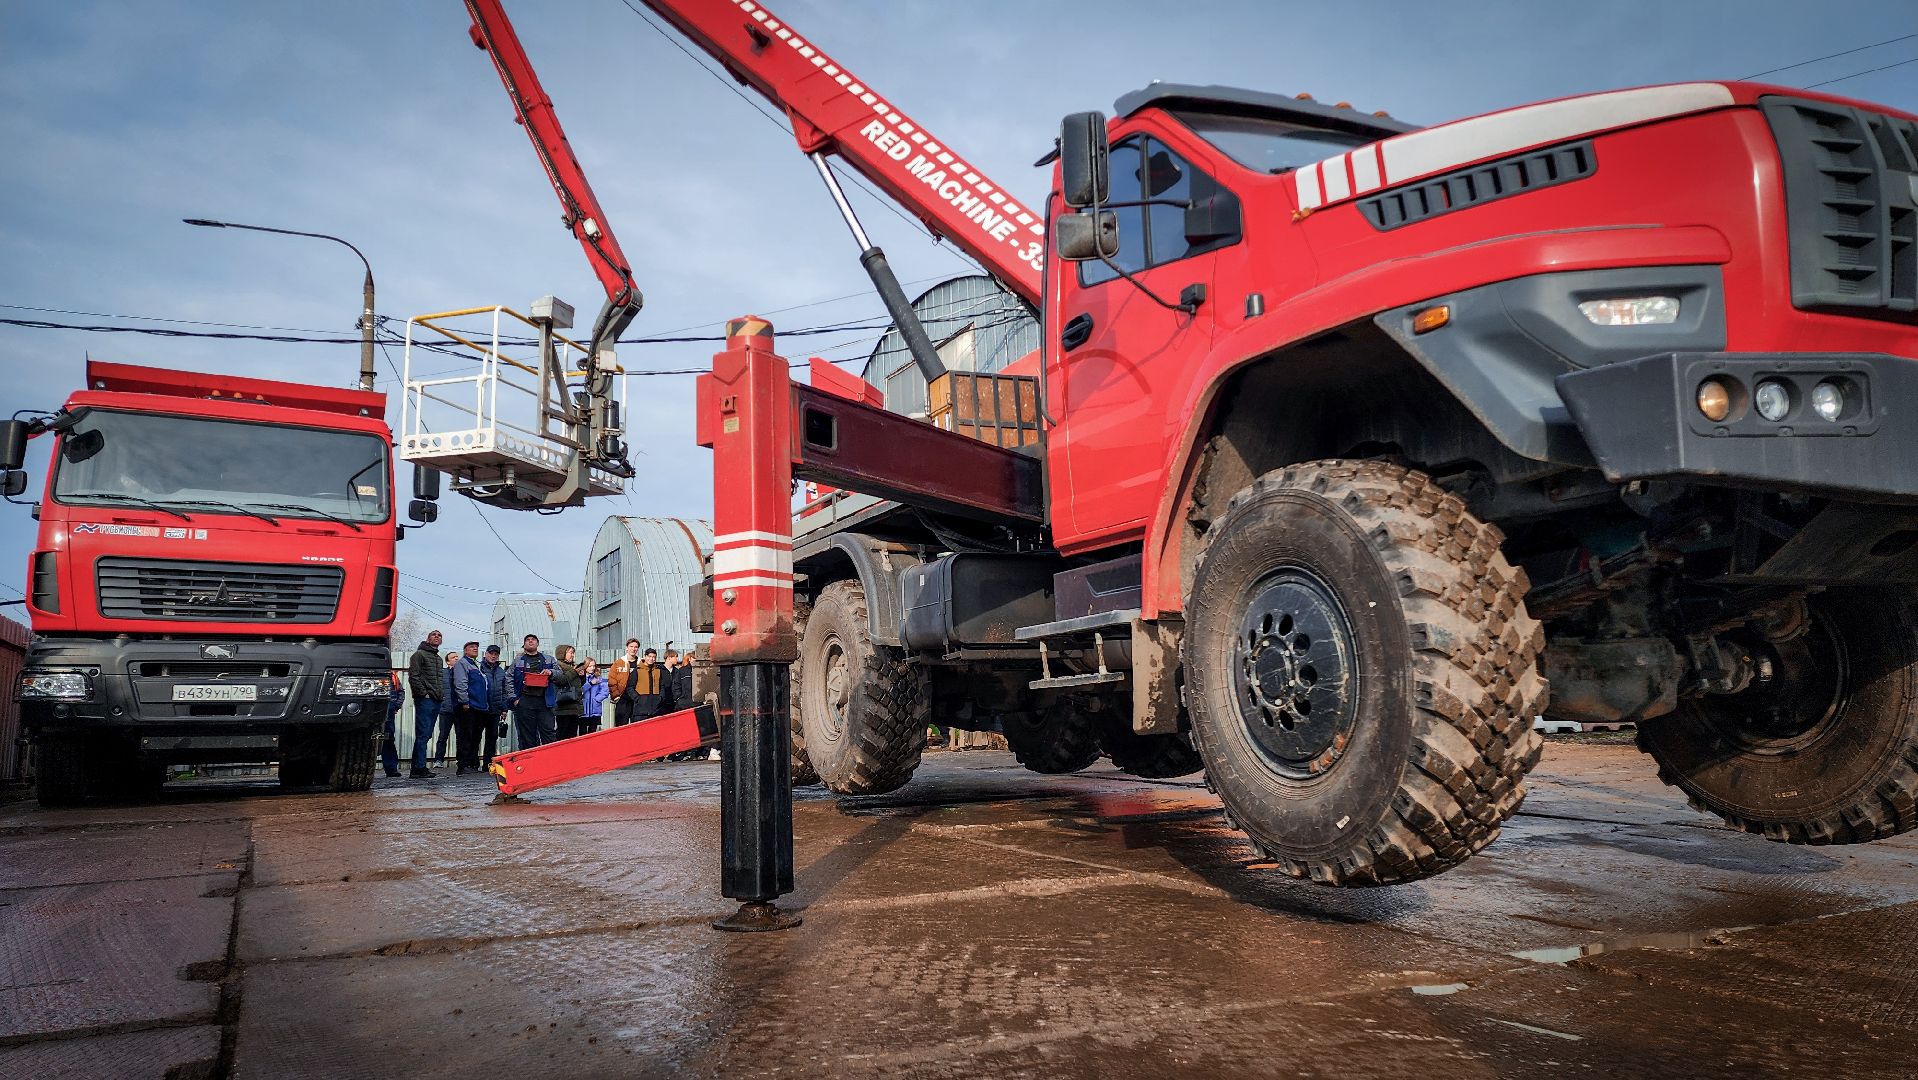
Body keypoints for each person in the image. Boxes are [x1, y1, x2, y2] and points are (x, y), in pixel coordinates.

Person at [508, 633, 559, 750]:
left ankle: (550, 763)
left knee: (548, 734)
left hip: (545, 702)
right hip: (525, 702)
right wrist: (514, 699)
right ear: (524, 645)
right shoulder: (518, 661)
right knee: (528, 737)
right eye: (527, 640)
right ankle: (531, 765)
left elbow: (561, 675)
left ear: (538, 643)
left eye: (533, 640)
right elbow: (508, 678)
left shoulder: (549, 659)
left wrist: (551, 672)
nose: (530, 641)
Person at [405, 630, 445, 778]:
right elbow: (413, 676)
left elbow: (439, 680)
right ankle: (418, 768)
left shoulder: (439, 659)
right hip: (426, 700)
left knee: (426, 734)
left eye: (439, 635)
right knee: (423, 734)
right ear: (428, 639)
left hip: (436, 699)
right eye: (434, 635)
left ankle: (418, 768)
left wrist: (440, 695)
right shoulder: (419, 654)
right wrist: (424, 694)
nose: (437, 636)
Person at [450, 641, 492, 775]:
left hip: (479, 707)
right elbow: (461, 683)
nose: (475, 648)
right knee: (466, 736)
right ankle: (463, 765)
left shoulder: (475, 665)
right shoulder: (462, 664)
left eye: (477, 647)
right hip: (469, 707)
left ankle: (472, 764)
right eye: (471, 647)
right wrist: (464, 701)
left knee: (475, 736)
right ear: (465, 650)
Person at [479, 645, 508, 768]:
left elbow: (504, 691)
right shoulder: (479, 668)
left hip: (495, 709)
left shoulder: (501, 671)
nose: (493, 656)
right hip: (480, 709)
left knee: (492, 737)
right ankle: (472, 764)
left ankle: (488, 764)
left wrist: (504, 708)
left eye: (496, 654)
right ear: (486, 654)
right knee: (475, 737)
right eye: (491, 653)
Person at [551, 645, 584, 739]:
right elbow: (561, 680)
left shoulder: (573, 666)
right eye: (570, 652)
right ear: (562, 653)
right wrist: (575, 672)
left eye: (573, 653)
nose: (572, 655)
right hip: (563, 705)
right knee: (562, 732)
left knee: (572, 733)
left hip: (575, 704)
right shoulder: (558, 666)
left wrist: (582, 676)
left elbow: (578, 684)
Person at [608, 638, 643, 726]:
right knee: (621, 726)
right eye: (631, 646)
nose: (633, 649)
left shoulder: (642, 663)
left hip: (637, 699)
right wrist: (616, 696)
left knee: (637, 726)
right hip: (623, 699)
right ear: (626, 648)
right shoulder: (618, 663)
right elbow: (612, 680)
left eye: (636, 647)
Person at [435, 650, 460, 763]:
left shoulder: (462, 673)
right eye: (453, 657)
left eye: (457, 657)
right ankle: (438, 760)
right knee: (443, 736)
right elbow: (436, 689)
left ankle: (461, 761)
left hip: (460, 709)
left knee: (461, 736)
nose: (456, 659)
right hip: (445, 709)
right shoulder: (442, 673)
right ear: (448, 662)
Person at [382, 669, 406, 778]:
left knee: (388, 739)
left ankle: (391, 769)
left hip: (388, 712)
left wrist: (396, 705)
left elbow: (400, 691)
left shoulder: (392, 676)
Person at [579, 657, 608, 735]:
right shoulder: (581, 678)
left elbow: (605, 690)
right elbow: (579, 691)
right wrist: (590, 684)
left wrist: (597, 699)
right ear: (585, 666)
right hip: (583, 710)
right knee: (582, 733)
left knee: (593, 733)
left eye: (594, 666)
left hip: (595, 710)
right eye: (590, 666)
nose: (592, 668)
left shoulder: (598, 677)